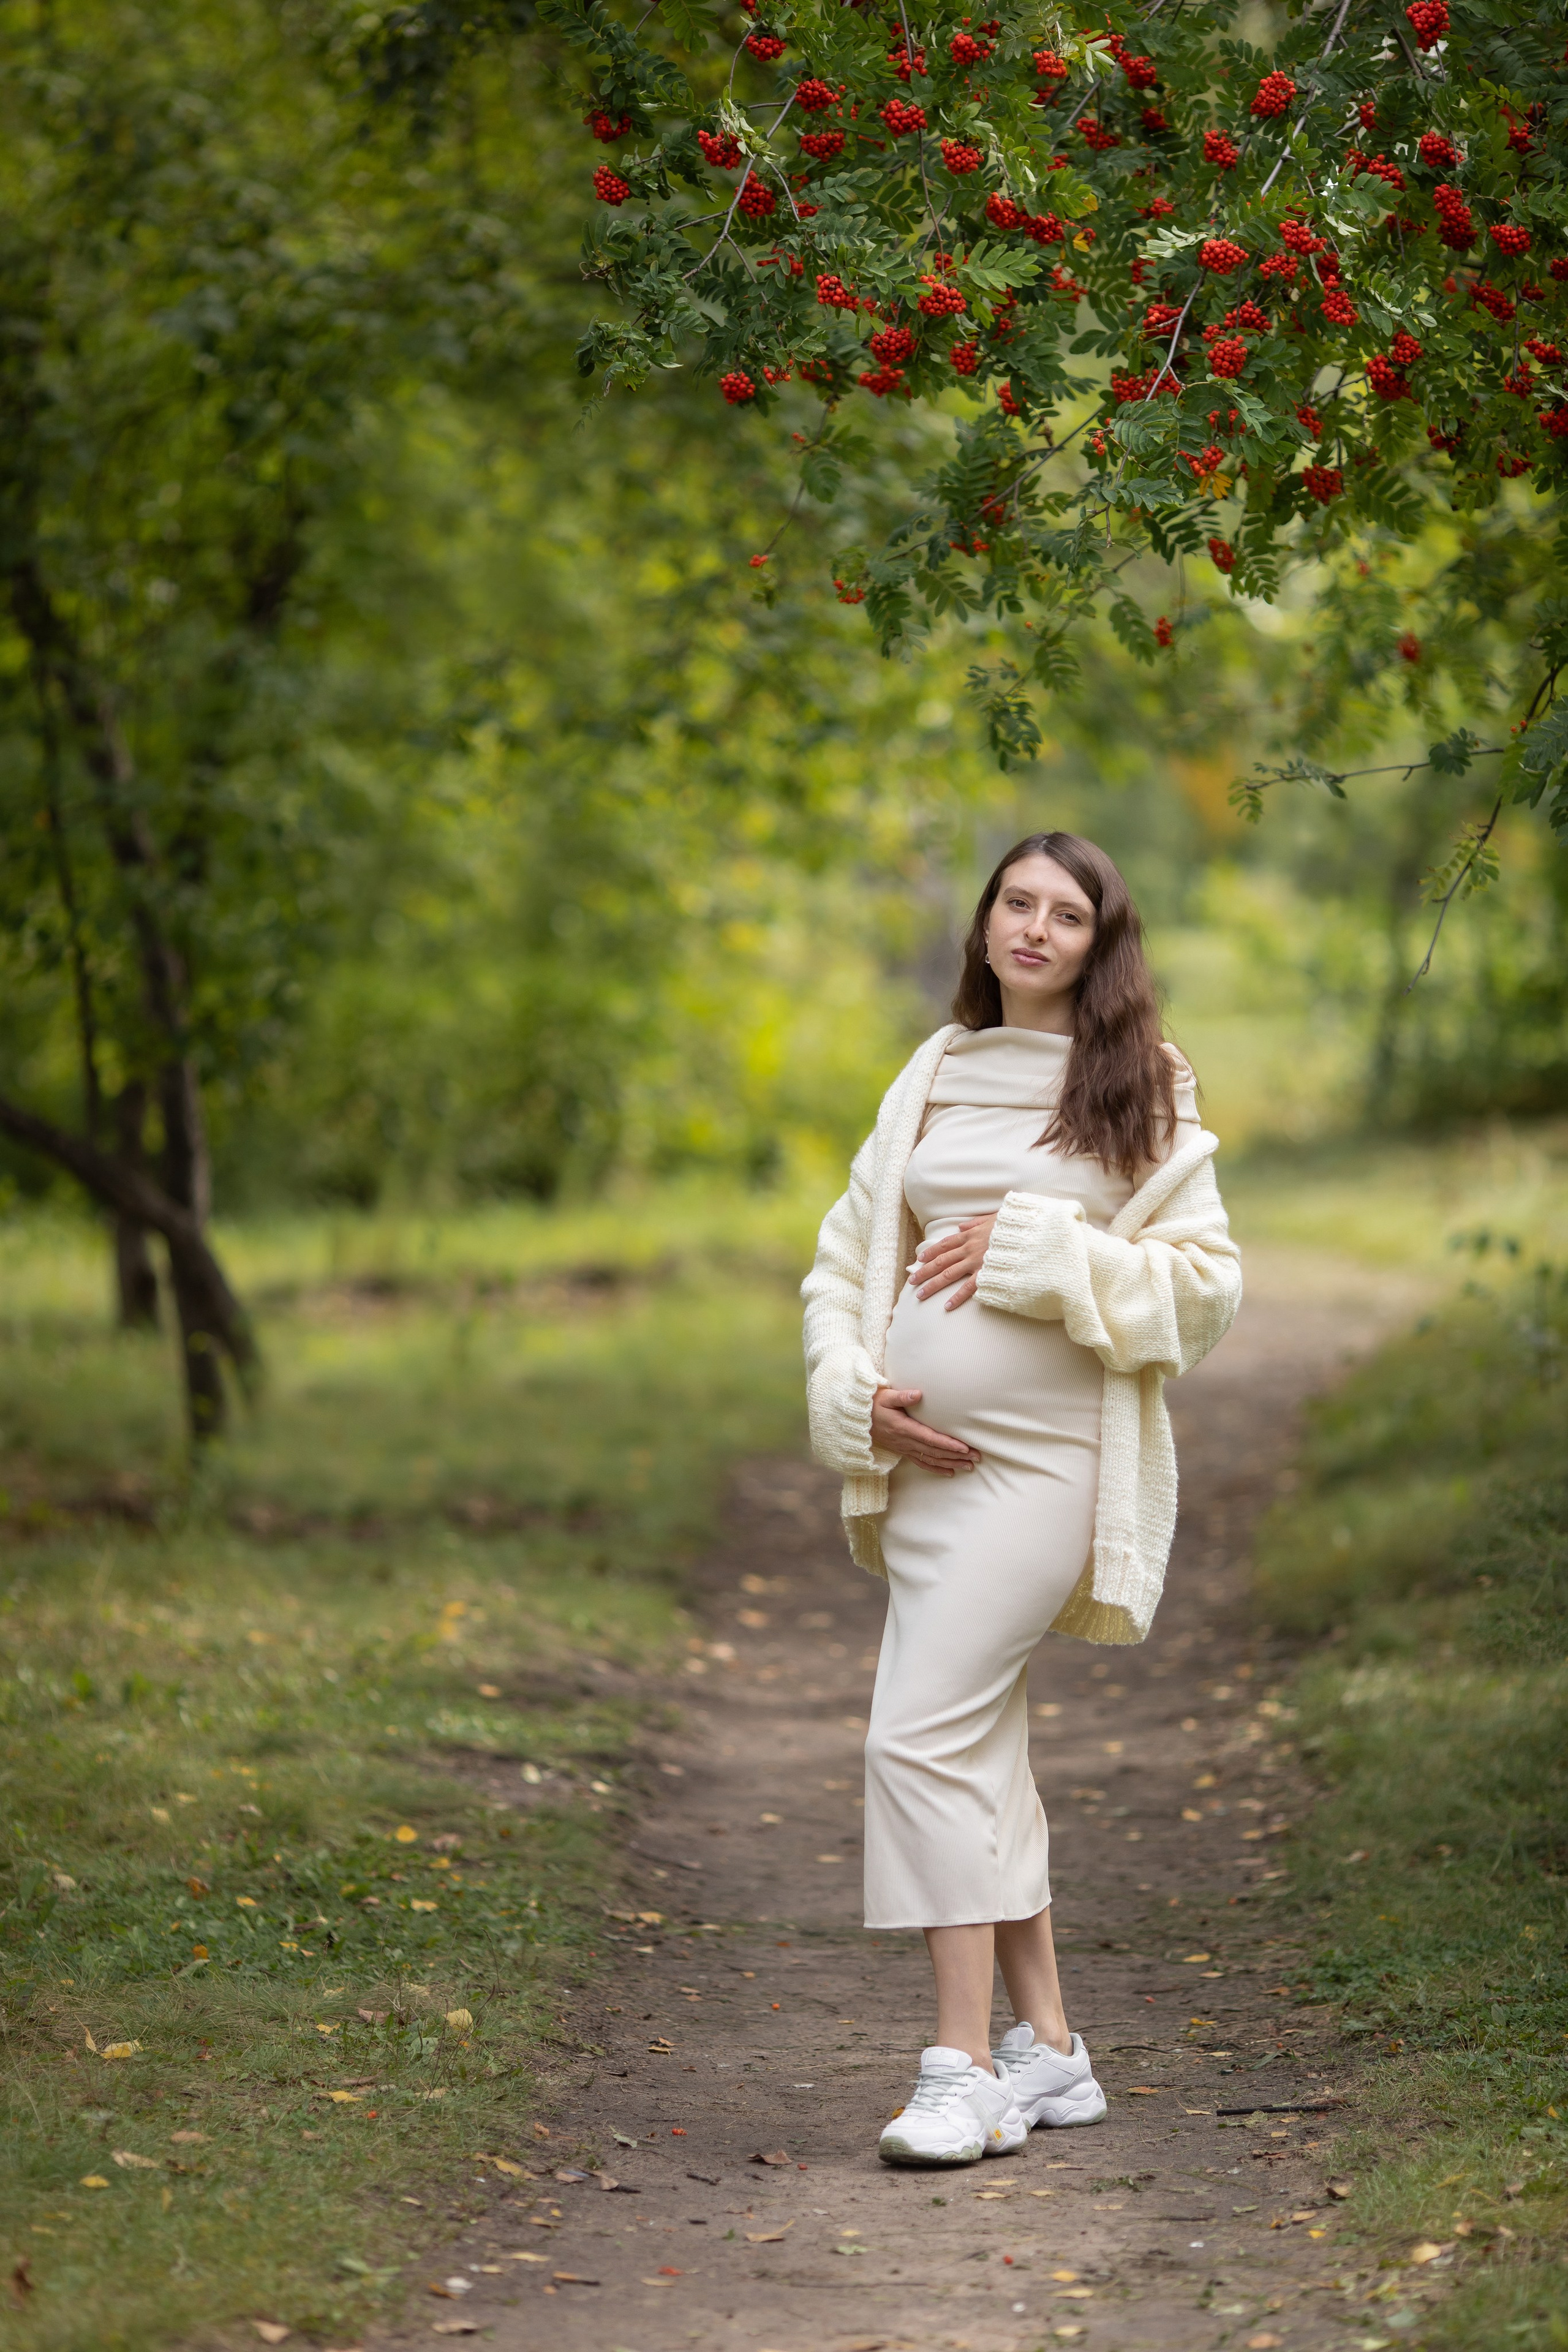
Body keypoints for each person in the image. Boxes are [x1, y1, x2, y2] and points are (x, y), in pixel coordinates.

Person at [801, 831, 1243, 2167]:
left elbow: (1205, 1290)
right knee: (973, 1744)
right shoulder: (930, 1074)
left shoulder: (1136, 1085)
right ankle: (1048, 2054)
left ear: (1099, 944)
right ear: (985, 921)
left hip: (1052, 1469)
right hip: (930, 1476)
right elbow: (841, 1260)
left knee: (914, 1738)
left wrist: (1048, 1247)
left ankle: (956, 2070)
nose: (1034, 929)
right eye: (1015, 903)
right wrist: (848, 1387)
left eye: (1066, 914)